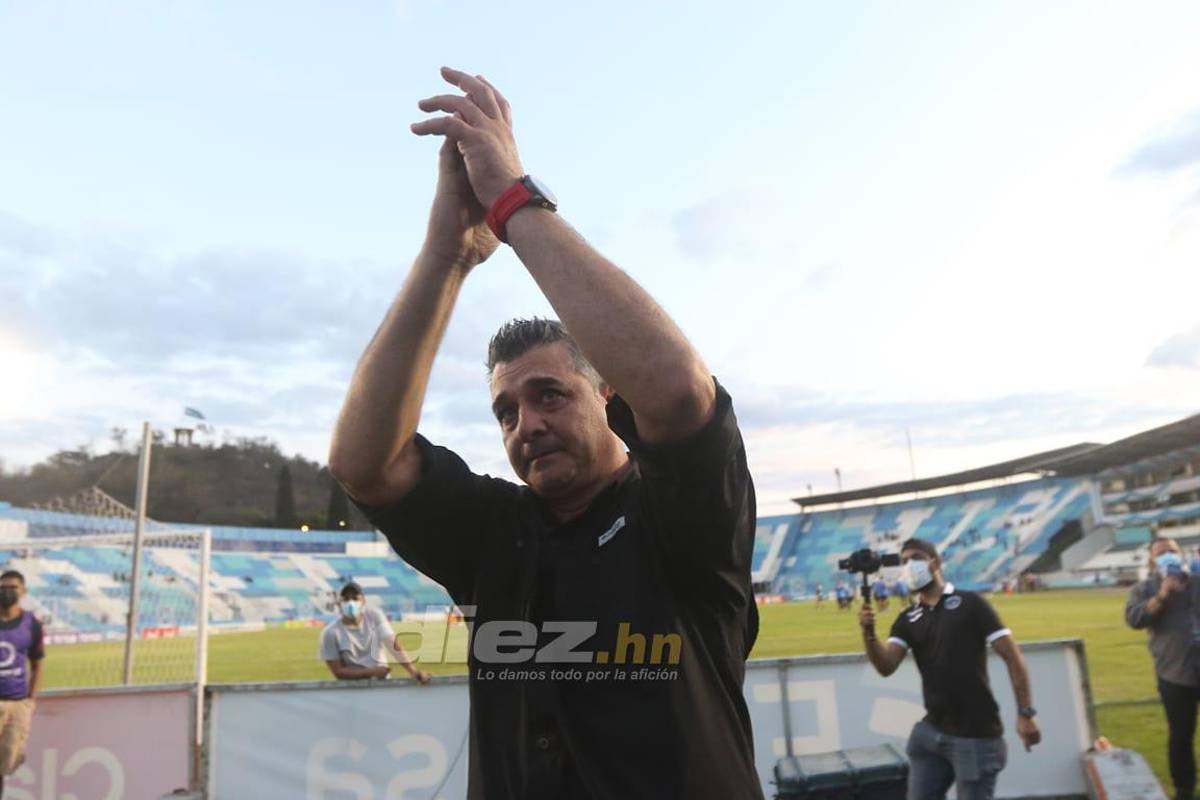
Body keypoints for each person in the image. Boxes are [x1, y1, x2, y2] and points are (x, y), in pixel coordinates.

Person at [329, 67, 761, 799]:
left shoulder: (683, 515)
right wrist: (445, 257)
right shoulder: (495, 532)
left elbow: (680, 392)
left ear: (608, 394)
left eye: (550, 395)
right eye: (506, 411)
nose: (527, 424)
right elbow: (362, 464)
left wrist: (511, 202)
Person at [858, 539, 1040, 800]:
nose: (909, 565)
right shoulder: (908, 618)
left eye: (916, 558)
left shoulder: (971, 603)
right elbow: (886, 666)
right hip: (930, 733)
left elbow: (1013, 657)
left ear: (935, 562)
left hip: (975, 736)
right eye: (904, 561)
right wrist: (868, 633)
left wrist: (1026, 713)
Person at [1126, 536, 1200, 800]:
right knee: (1180, 734)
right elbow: (1134, 619)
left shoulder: (1197, 581)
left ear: (1181, 554)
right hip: (1174, 672)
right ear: (1151, 560)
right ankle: (1184, 789)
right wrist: (1162, 595)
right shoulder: (1144, 589)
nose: (1168, 555)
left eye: (1172, 550)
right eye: (1161, 553)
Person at [319, 582, 431, 684]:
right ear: (339, 603)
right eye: (346, 599)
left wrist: (413, 671)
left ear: (363, 601)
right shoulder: (330, 633)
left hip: (381, 685)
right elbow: (338, 672)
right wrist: (371, 672)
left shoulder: (374, 616)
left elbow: (392, 643)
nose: (350, 603)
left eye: (355, 598)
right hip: (352, 689)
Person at [0, 570, 43, 794]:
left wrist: (30, 701)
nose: (7, 592)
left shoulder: (31, 624)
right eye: (3, 587)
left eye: (12, 587)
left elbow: (37, 665)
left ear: (23, 591)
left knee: (5, 765)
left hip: (17, 705)